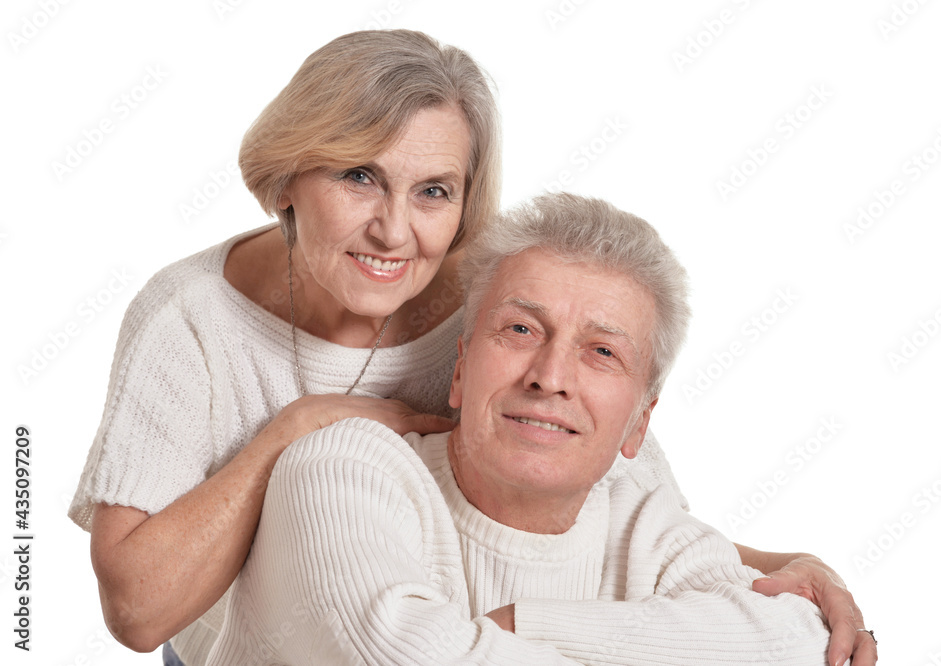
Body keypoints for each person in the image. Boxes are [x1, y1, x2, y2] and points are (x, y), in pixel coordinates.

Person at [68, 30, 873, 666]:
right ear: (286, 180)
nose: (394, 230)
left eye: (433, 193)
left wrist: (786, 567)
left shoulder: (504, 318)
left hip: (463, 623)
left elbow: (616, 510)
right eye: (358, 176)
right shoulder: (192, 317)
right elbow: (138, 612)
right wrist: (295, 428)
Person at [207, 193, 861, 665]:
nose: (550, 375)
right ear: (461, 370)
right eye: (520, 330)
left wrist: (525, 624)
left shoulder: (644, 523)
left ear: (639, 423)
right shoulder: (343, 470)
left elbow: (796, 643)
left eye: (602, 351)